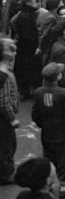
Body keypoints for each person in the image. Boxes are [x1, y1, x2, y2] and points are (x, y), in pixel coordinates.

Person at [31, 62, 65, 198]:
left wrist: (43, 125)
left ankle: (49, 184)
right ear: (58, 77)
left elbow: (35, 114)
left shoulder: (38, 92)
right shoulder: (63, 93)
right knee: (64, 158)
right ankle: (63, 186)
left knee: (49, 156)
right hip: (62, 131)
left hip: (46, 130)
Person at [0, 38, 18, 185]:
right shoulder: (3, 75)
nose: (14, 50)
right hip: (3, 119)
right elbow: (4, 101)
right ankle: (6, 174)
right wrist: (12, 118)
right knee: (8, 144)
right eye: (10, 49)